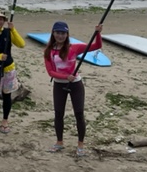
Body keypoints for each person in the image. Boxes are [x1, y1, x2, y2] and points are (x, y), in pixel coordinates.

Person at [43, 20, 103, 157]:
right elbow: (50, 72)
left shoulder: (74, 48)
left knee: (79, 114)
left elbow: (96, 46)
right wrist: (65, 77)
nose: (60, 36)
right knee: (58, 113)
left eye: (63, 33)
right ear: (53, 33)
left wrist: (98, 33)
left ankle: (80, 144)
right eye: (58, 33)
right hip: (59, 84)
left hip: (76, 84)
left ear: (67, 34)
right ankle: (59, 142)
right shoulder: (49, 51)